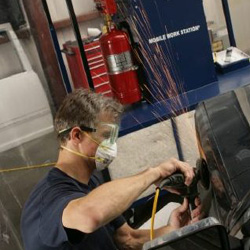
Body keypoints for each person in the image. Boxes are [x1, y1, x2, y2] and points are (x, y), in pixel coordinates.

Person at [21, 89, 202, 250]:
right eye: (107, 136)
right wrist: (155, 173)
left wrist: (173, 230)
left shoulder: (90, 182)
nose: (112, 145)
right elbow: (90, 215)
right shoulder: (47, 202)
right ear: (76, 135)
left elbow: (127, 239)